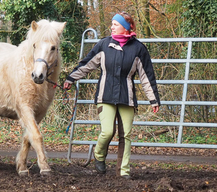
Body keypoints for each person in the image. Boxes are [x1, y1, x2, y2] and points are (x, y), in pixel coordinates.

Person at [63, 12, 160, 179]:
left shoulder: (139, 49)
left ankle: (124, 171)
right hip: (105, 96)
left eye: (115, 24)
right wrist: (71, 78)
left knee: (126, 135)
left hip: (126, 98)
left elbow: (147, 76)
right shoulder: (104, 45)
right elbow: (87, 64)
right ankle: (99, 155)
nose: (112, 27)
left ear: (125, 27)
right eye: (112, 24)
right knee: (108, 132)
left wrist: (154, 100)